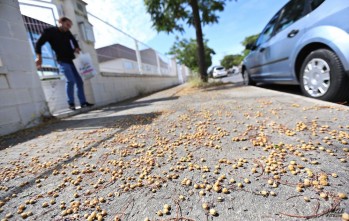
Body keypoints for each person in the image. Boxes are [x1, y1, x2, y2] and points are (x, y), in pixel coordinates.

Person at [35, 16, 94, 110]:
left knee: (79, 81)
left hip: (72, 60)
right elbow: (39, 43)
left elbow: (73, 40)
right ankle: (71, 103)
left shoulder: (67, 32)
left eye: (70, 26)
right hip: (62, 61)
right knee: (71, 80)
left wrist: (76, 47)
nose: (68, 27)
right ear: (60, 22)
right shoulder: (50, 31)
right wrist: (39, 57)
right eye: (67, 25)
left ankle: (83, 103)